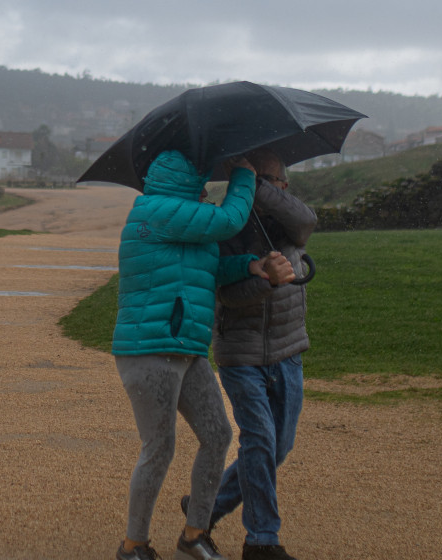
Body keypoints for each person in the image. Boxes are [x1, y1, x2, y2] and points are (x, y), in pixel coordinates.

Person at [112, 149, 290, 560]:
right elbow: (229, 220)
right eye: (202, 176)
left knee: (218, 436)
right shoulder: (154, 211)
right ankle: (133, 545)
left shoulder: (184, 216)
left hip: (186, 348)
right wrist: (244, 176)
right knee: (160, 446)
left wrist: (250, 266)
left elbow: (207, 267)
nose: (209, 181)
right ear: (184, 179)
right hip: (149, 348)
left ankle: (194, 535)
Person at [183, 148, 315, 560]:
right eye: (250, 181)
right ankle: (262, 540)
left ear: (281, 187)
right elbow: (228, 296)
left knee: (280, 446)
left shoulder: (288, 222)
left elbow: (307, 222)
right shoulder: (225, 225)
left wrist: (255, 183)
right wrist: (265, 280)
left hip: (287, 348)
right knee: (259, 440)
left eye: (269, 181)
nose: (259, 189)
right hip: (240, 354)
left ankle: (205, 508)